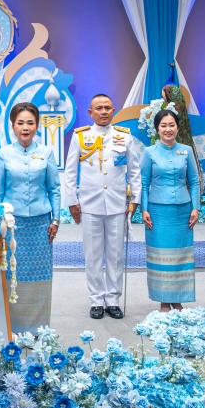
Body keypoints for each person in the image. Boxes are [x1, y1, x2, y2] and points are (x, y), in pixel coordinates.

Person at [62, 93, 141, 320]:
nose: (104, 112)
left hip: (117, 203)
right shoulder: (80, 136)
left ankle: (113, 299)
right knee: (93, 255)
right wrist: (72, 201)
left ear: (113, 110)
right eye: (99, 108)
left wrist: (135, 199)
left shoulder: (124, 136)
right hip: (90, 204)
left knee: (116, 255)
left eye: (107, 107)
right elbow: (70, 172)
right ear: (90, 112)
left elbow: (134, 170)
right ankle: (97, 300)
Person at [0, 102, 60, 333]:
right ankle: (13, 327)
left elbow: (54, 189)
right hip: (12, 224)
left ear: (37, 125)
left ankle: (39, 329)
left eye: (30, 123)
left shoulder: (46, 153)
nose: (25, 127)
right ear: (12, 126)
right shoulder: (3, 154)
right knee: (13, 272)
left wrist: (56, 219)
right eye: (20, 123)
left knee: (40, 275)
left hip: (41, 225)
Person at [140, 107, 200, 310]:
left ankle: (178, 298)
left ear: (177, 127)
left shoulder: (187, 150)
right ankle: (164, 299)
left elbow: (194, 181)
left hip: (183, 211)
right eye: (163, 125)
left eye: (171, 125)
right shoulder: (149, 152)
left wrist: (196, 207)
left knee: (181, 255)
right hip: (158, 212)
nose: (168, 129)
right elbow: (144, 183)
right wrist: (144, 209)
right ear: (157, 129)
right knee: (160, 255)